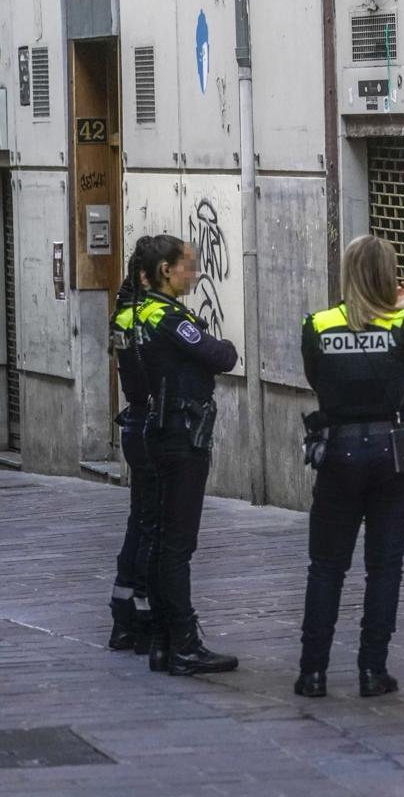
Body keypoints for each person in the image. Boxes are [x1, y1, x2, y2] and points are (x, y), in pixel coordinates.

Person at [295, 235, 404, 699]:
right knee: (384, 567)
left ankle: (312, 673)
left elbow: (315, 378)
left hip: (337, 452)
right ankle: (373, 670)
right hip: (392, 455)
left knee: (326, 567)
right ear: (389, 276)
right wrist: (400, 312)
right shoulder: (401, 325)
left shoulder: (318, 324)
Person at [137, 235, 240, 674]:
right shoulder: (167, 317)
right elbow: (220, 355)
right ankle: (183, 643)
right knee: (178, 544)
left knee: (163, 541)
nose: (194, 273)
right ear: (166, 270)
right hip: (181, 436)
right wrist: (220, 348)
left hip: (161, 431)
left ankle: (163, 641)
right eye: (188, 265)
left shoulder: (141, 311)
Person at [106, 238, 162, 654]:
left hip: (135, 422)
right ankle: (145, 616)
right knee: (156, 526)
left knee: (140, 520)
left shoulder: (123, 315)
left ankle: (123, 615)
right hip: (155, 426)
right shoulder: (154, 316)